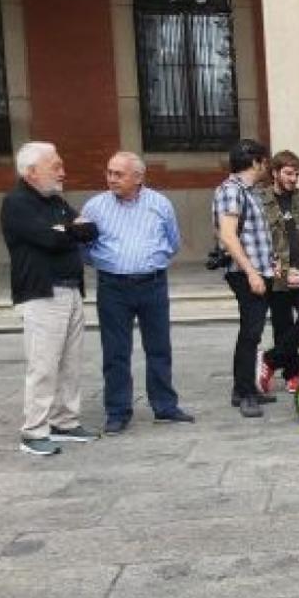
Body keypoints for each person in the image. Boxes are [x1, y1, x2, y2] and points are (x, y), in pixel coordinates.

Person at [81, 151, 193, 435]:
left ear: (138, 177)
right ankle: (118, 411)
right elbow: (82, 246)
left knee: (159, 348)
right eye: (109, 172)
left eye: (118, 174)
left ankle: (165, 406)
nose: (111, 178)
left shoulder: (160, 204)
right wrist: (110, 263)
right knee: (115, 351)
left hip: (152, 284)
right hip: (113, 286)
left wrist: (152, 261)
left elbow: (173, 241)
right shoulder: (95, 206)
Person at [1, 141, 100, 455]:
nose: (63, 171)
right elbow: (50, 239)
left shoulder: (55, 201)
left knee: (70, 362)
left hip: (71, 290)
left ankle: (64, 421)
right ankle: (33, 430)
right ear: (32, 172)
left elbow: (89, 230)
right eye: (55, 166)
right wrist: (68, 231)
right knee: (43, 364)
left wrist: (65, 229)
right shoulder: (16, 203)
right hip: (41, 293)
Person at [212, 138, 276, 418]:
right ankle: (245, 392)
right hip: (246, 274)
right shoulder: (231, 191)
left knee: (253, 331)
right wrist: (251, 272)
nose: (266, 166)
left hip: (260, 270)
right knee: (250, 333)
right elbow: (228, 235)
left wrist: (269, 264)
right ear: (255, 162)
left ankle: (243, 389)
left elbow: (255, 235)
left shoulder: (250, 191)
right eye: (264, 161)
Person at [256, 150, 299, 395]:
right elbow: (258, 240)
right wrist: (279, 271)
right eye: (289, 173)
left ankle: (269, 360)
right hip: (276, 273)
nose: (293, 179)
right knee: (282, 326)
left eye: (297, 174)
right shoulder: (260, 200)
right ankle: (293, 374)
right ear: (275, 173)